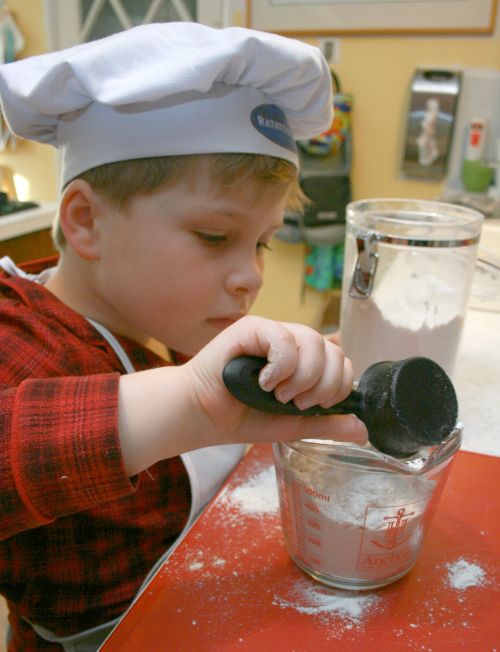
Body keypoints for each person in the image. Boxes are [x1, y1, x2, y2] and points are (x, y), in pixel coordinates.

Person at [0, 22, 367, 651]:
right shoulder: (21, 335)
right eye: (215, 237)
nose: (251, 274)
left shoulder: (155, 320)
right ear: (86, 222)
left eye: (262, 241)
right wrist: (188, 402)